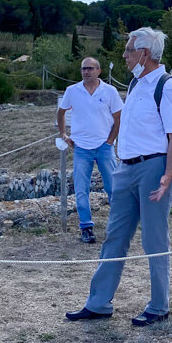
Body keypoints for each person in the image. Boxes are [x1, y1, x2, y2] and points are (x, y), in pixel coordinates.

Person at [66, 27, 172, 327]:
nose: (124, 55)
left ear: (144, 54)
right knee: (115, 237)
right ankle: (98, 303)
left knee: (154, 239)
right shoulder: (135, 85)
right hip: (126, 168)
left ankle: (159, 306)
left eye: (129, 50)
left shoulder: (167, 87)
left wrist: (168, 174)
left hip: (153, 169)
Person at [58, 57, 124, 243]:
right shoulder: (72, 91)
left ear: (98, 70)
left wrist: (110, 141)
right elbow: (61, 112)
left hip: (104, 147)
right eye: (83, 69)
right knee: (81, 189)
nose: (86, 72)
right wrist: (63, 134)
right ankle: (86, 227)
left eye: (90, 68)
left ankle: (118, 227)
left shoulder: (110, 91)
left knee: (113, 187)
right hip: (81, 147)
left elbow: (119, 117)